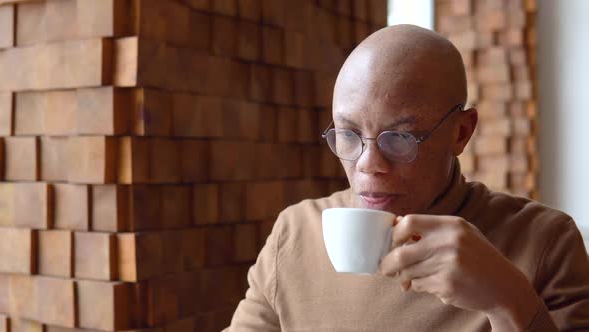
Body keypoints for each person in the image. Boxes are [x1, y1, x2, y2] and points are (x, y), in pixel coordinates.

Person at [224, 24, 589, 331]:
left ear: (461, 133)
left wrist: (507, 299)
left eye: (399, 138)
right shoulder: (296, 233)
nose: (368, 164)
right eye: (349, 135)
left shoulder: (546, 242)